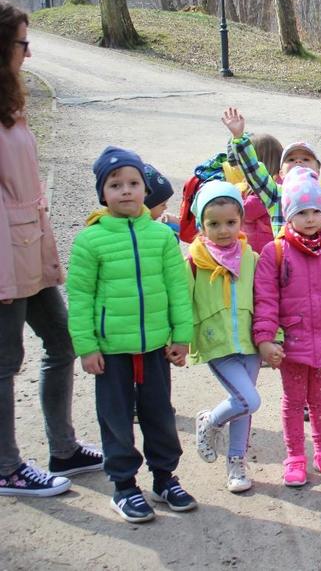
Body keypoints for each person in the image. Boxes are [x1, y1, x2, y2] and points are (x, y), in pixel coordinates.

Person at [0, 1, 102, 498]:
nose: (29, 51)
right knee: (4, 360)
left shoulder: (11, 103)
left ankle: (63, 447)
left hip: (29, 250)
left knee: (62, 343)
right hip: (4, 261)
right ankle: (6, 466)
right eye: (22, 42)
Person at [67, 146, 195, 523]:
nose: (126, 190)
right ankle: (123, 486)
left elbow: (178, 289)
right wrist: (86, 347)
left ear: (145, 189)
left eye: (134, 183)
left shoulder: (160, 237)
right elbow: (80, 297)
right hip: (112, 351)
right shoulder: (90, 241)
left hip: (156, 347)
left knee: (160, 414)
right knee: (116, 418)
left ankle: (164, 478)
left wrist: (181, 336)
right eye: (115, 184)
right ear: (102, 193)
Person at [252, 167, 321, 487]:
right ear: (289, 214)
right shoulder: (274, 252)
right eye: (302, 212)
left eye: (316, 210)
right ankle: (295, 457)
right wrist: (266, 339)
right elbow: (266, 300)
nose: (311, 218)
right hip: (293, 343)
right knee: (293, 401)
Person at [187, 181, 261, 493]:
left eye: (231, 222)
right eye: (213, 224)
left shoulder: (251, 257)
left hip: (251, 342)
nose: (223, 230)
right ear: (201, 225)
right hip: (217, 343)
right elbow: (184, 303)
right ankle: (211, 421)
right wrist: (179, 340)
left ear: (241, 221)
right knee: (249, 400)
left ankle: (236, 463)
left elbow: (266, 299)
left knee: (243, 406)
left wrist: (275, 335)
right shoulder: (194, 262)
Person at [222, 107, 321, 236]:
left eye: (306, 158)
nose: (298, 162)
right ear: (281, 172)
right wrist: (239, 138)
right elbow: (253, 169)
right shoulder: (276, 194)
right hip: (286, 254)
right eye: (291, 159)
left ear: (318, 170)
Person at [241, 134, 283, 254]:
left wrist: (235, 196)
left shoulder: (270, 187)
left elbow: (246, 211)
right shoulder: (279, 181)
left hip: (261, 247)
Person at [143, 163, 180, 237]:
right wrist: (173, 228)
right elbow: (164, 246)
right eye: (162, 204)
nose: (166, 207)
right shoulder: (146, 231)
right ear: (146, 204)